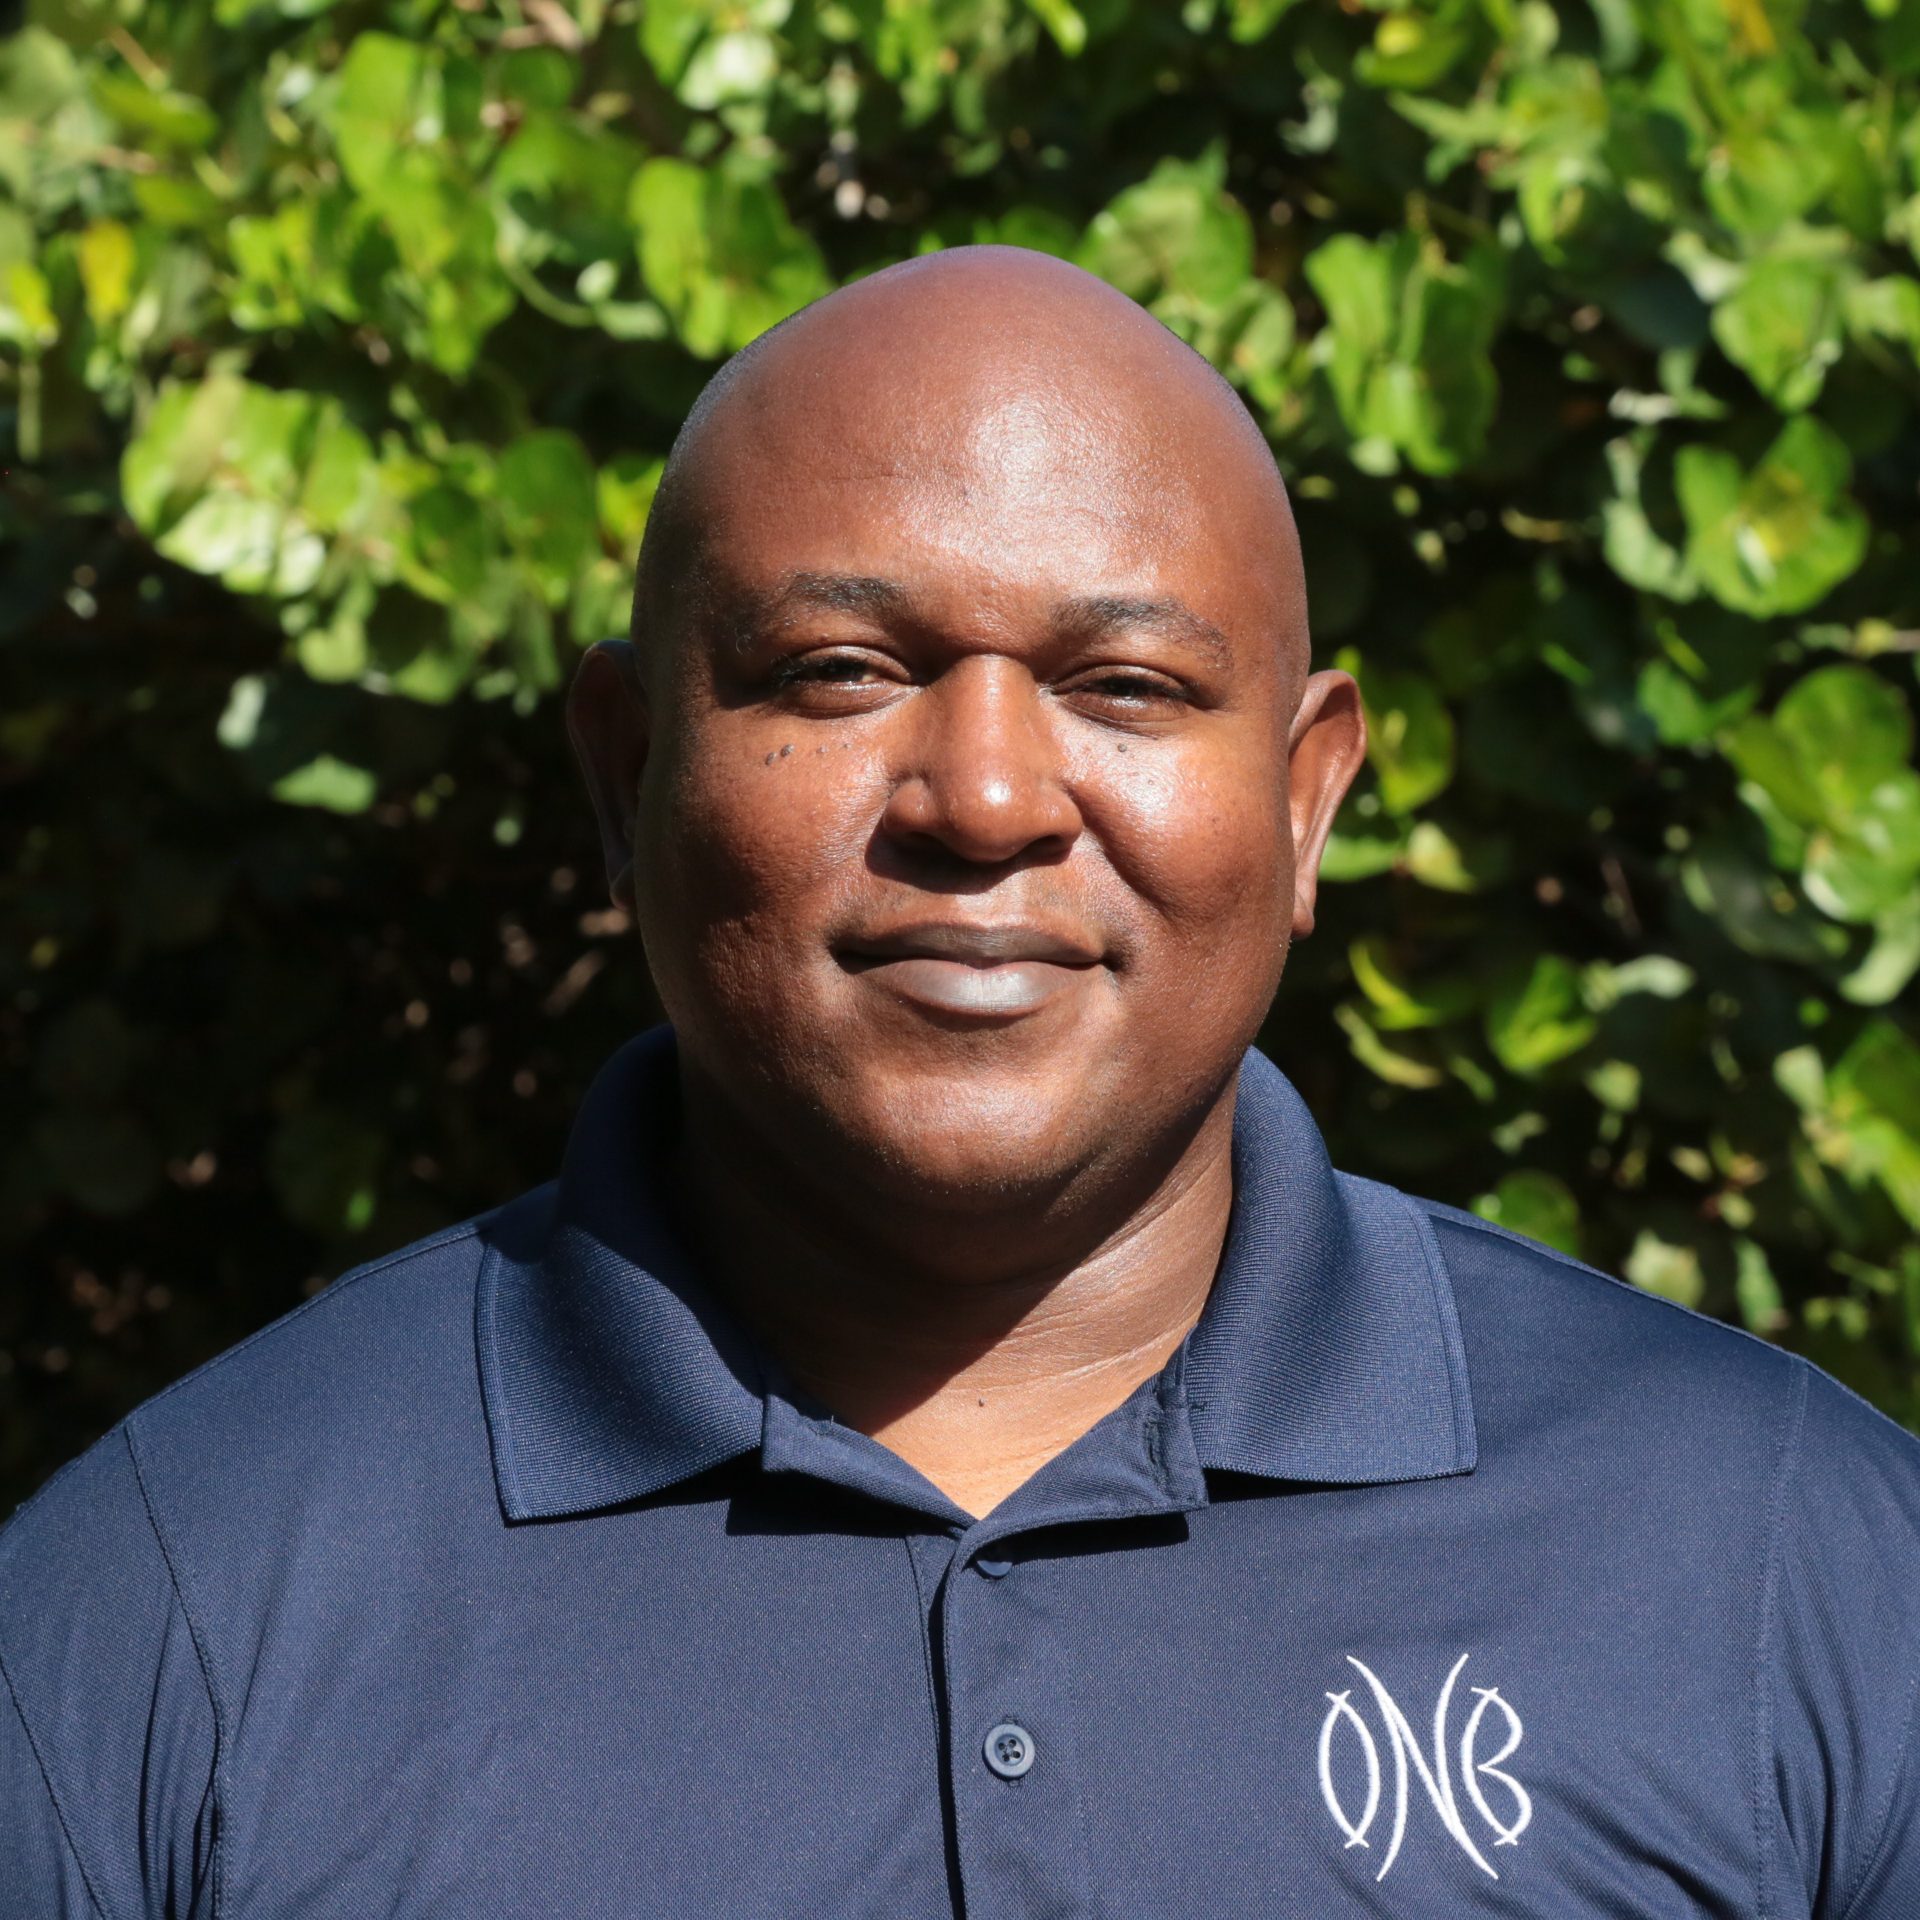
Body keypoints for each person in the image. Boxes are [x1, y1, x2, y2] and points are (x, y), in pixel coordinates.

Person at [4, 246, 1918, 1919]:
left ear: (1308, 796)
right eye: (840, 672)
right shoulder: (164, 1613)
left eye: (1131, 687)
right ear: (623, 776)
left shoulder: (1783, 1568)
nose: (989, 800)